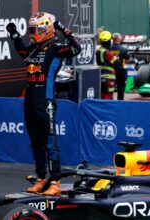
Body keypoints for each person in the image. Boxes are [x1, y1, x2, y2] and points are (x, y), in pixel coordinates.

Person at [6, 12, 81, 195]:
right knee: (35, 141)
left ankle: (55, 181)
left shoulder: (55, 46)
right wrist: (15, 35)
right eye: (31, 30)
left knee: (49, 141)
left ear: (46, 28)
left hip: (45, 99)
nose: (32, 33)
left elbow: (76, 49)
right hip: (30, 98)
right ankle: (41, 178)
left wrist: (62, 29)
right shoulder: (32, 47)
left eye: (36, 29)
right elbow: (22, 52)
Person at [96, 31, 120, 99]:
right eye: (111, 39)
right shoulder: (108, 53)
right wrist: (116, 58)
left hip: (100, 77)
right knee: (108, 97)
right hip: (108, 79)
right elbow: (116, 63)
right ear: (108, 41)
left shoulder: (98, 51)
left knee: (101, 96)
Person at [110, 33, 130, 100]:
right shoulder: (123, 49)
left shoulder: (108, 48)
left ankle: (109, 100)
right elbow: (127, 60)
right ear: (119, 39)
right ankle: (120, 102)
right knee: (121, 87)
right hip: (121, 70)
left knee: (110, 87)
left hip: (111, 70)